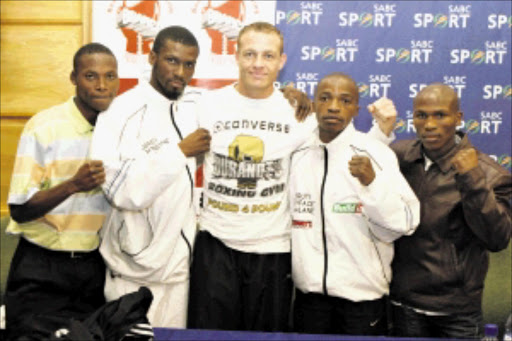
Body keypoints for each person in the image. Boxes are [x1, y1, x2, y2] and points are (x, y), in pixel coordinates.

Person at [187, 22, 398, 332]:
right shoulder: (206, 105)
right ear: (236, 55)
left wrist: (382, 134)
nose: (258, 64)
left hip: (272, 251)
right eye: (250, 54)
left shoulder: (301, 113)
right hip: (216, 245)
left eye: (268, 56)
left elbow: (342, 153)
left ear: (281, 62)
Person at [90, 26, 208, 328]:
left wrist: (288, 95)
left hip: (178, 271)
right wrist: (178, 152)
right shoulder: (120, 112)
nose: (180, 72)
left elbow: (244, 101)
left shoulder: (197, 105)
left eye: (189, 64)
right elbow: (120, 192)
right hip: (131, 272)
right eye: (172, 60)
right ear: (152, 56)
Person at [288, 72, 420, 336]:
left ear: (355, 110)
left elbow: (407, 221)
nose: (334, 106)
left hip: (362, 303)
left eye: (345, 100)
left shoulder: (375, 152)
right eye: (325, 98)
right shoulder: (297, 153)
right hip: (309, 299)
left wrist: (372, 184)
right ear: (313, 104)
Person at [4, 43, 119, 339]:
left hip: (93, 268)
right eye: (91, 76)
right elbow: (19, 209)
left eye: (110, 76)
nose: (102, 85)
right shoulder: (44, 127)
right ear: (73, 78)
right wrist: (73, 185)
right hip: (42, 267)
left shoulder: (120, 129)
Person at [389, 83, 512, 339]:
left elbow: (497, 239)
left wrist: (472, 179)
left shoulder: (489, 174)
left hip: (457, 313)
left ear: (458, 118)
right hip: (404, 306)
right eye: (421, 115)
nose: (430, 124)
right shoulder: (398, 158)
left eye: (440, 115)